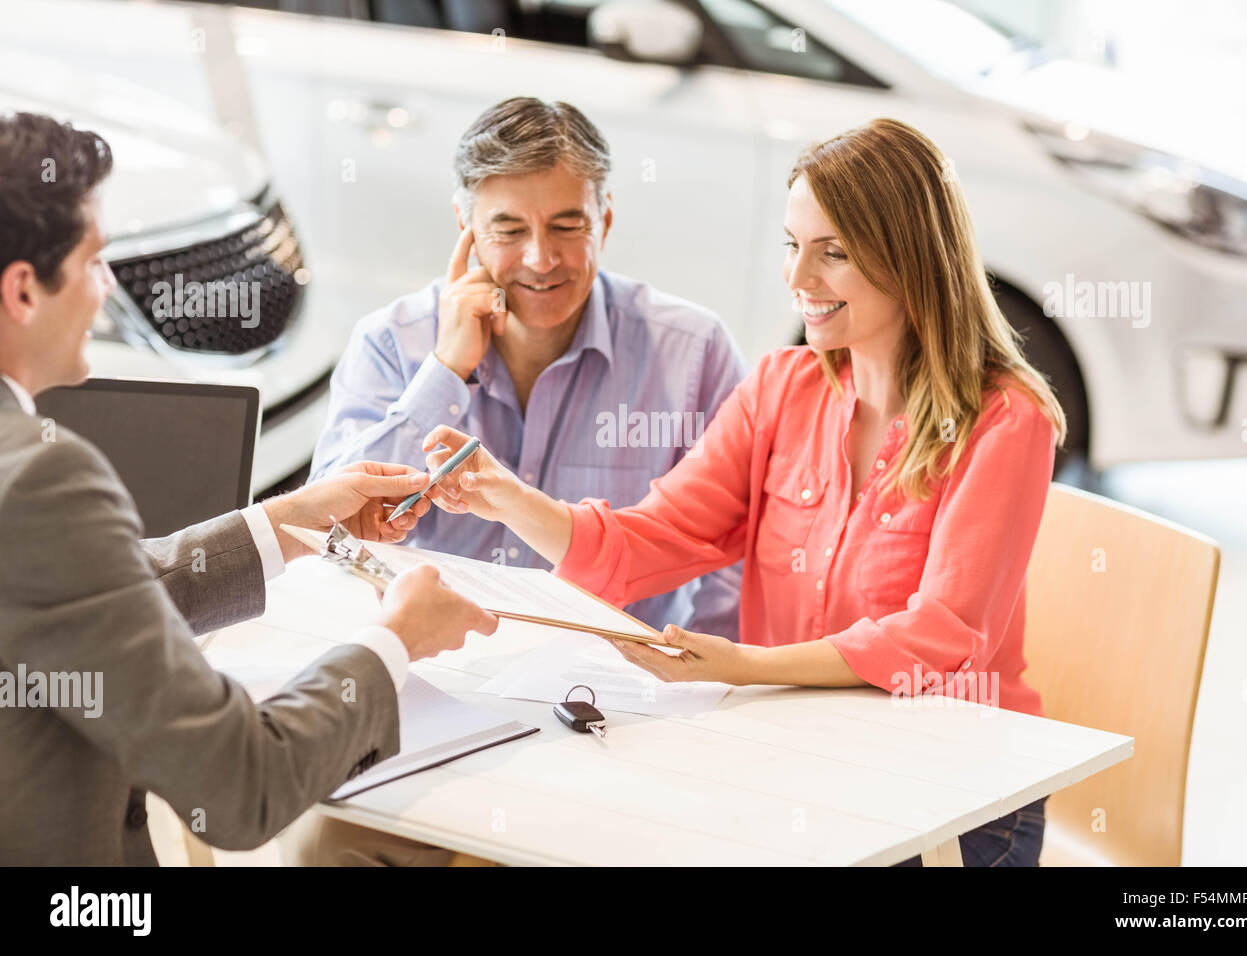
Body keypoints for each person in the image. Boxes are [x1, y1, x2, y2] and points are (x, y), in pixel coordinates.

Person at [418, 118, 1067, 867]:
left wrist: (745, 666)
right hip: (801, 758)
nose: (799, 280)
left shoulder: (1006, 419)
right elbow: (649, 544)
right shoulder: (779, 389)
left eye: (835, 253)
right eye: (794, 247)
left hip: (952, 788)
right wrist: (504, 494)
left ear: (911, 258)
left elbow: (943, 637)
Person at [0, 111, 495, 865]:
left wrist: (287, 523)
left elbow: (66, 601)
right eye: (97, 262)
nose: (106, 291)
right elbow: (238, 785)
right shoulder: (43, 476)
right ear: (23, 292)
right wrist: (396, 641)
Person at [310, 96, 746, 642]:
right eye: (509, 231)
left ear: (603, 223)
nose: (541, 259)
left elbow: (733, 557)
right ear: (464, 227)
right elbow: (326, 531)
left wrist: (699, 686)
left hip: (621, 682)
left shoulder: (693, 352)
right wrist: (445, 372)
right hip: (438, 666)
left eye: (567, 227)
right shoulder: (392, 342)